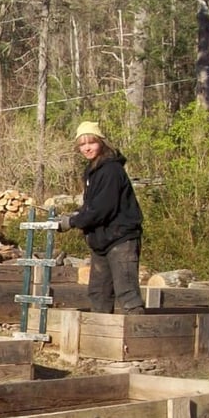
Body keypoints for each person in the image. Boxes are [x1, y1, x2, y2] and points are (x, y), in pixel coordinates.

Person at [57, 121, 145, 315]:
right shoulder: (93, 171)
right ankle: (100, 338)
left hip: (120, 238)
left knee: (127, 293)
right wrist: (77, 215)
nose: (87, 148)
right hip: (101, 240)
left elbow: (102, 209)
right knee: (99, 293)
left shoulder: (111, 170)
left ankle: (140, 337)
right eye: (82, 144)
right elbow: (93, 206)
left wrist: (72, 222)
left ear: (101, 143)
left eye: (91, 142)